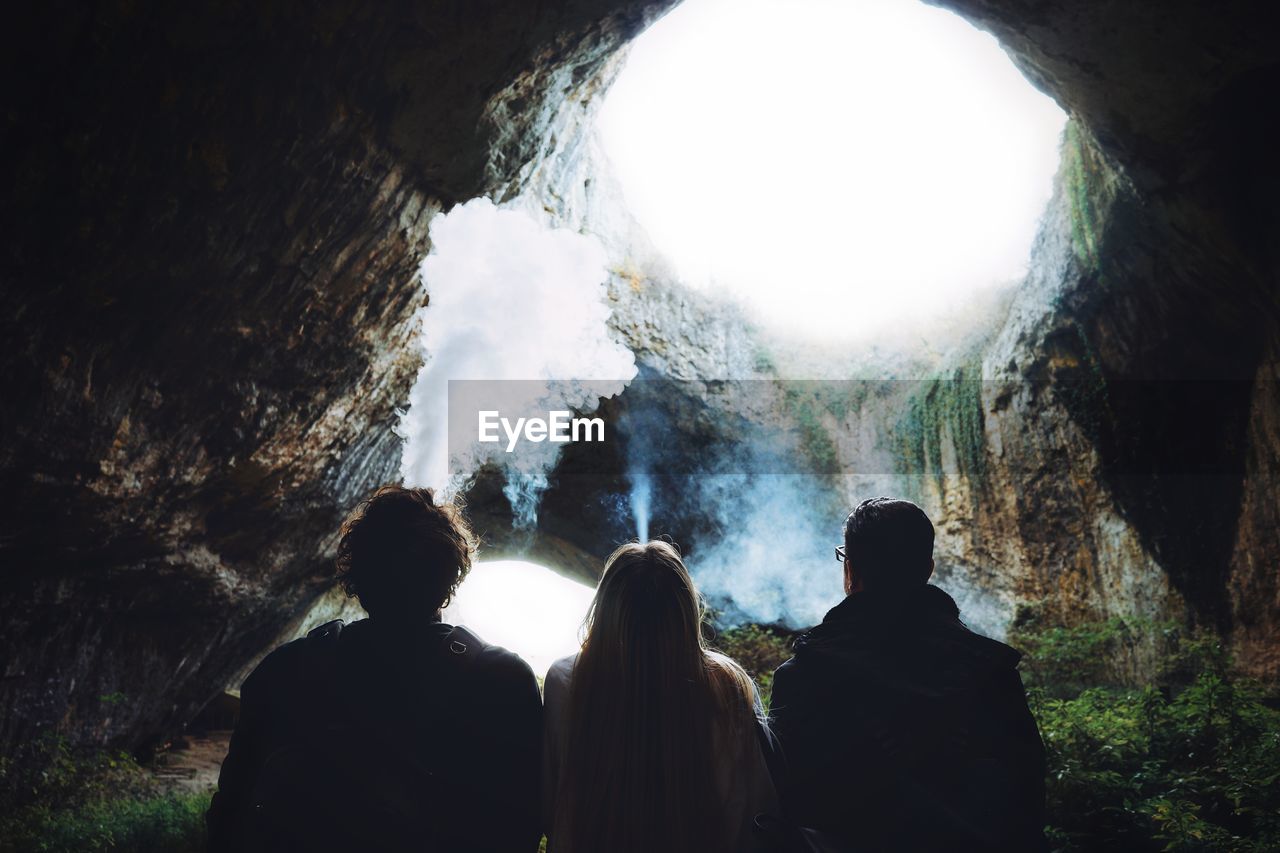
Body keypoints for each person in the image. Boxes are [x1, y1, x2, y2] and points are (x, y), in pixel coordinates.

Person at [206, 485, 543, 853]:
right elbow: (519, 830)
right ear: (450, 578)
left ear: (358, 579)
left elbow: (230, 817)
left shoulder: (284, 671)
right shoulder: (504, 682)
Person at [768, 498, 1047, 852]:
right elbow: (1028, 803)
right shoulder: (991, 673)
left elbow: (785, 807)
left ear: (850, 572)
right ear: (928, 568)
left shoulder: (801, 678)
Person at [542, 540, 778, 853]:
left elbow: (549, 798)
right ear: (685, 609)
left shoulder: (567, 679)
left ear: (606, 606)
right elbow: (753, 809)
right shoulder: (727, 685)